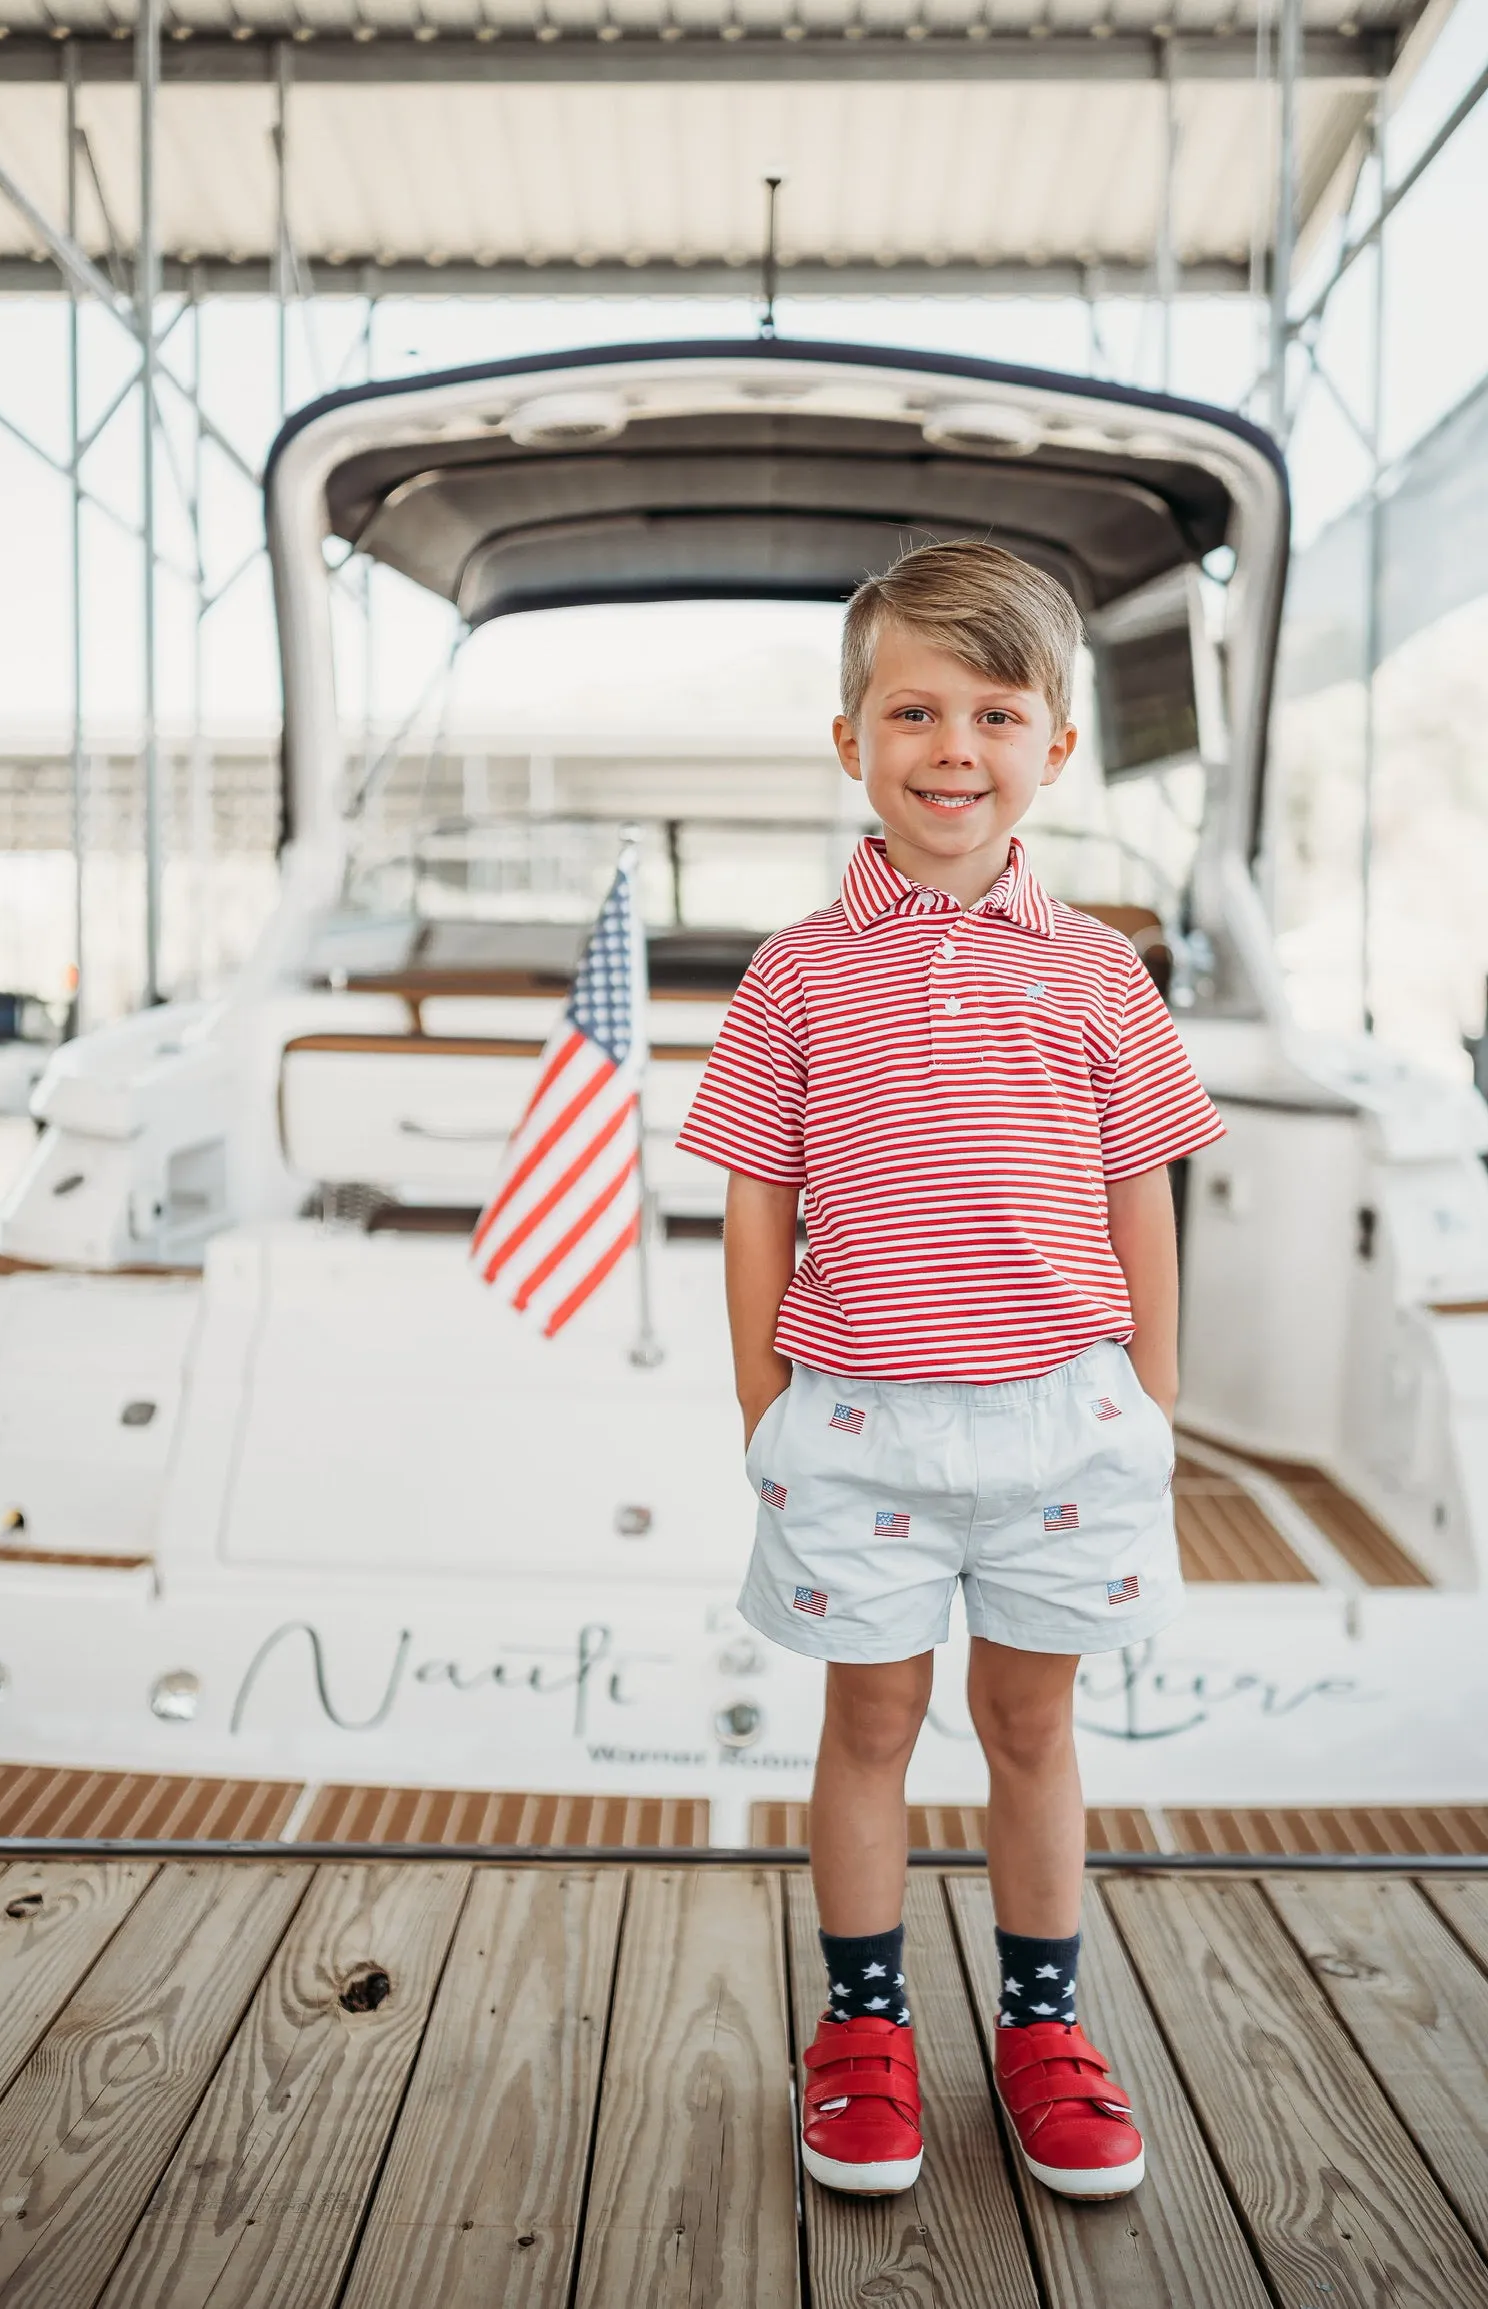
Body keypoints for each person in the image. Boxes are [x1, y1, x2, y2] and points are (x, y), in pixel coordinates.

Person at [675, 538, 1224, 2201]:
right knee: (875, 1718)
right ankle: (863, 2026)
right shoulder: (794, 974)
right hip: (856, 1418)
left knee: (1031, 1722)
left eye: (996, 713)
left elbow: (1143, 1194)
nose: (953, 751)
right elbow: (757, 1203)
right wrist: (767, 1414)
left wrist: (1154, 1399)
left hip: (1069, 1415)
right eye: (914, 711)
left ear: (1055, 746)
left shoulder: (1100, 974)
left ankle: (1042, 2028)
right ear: (853, 740)